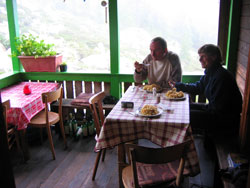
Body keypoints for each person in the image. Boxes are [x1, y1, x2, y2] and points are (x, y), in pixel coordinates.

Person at [169, 44, 242, 137]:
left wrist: (199, 111)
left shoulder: (222, 77)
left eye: (203, 57)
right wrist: (178, 85)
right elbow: (198, 87)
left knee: (185, 115)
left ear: (214, 57)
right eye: (200, 57)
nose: (200, 60)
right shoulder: (211, 72)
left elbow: (218, 110)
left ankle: (183, 144)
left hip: (224, 120)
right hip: (213, 111)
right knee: (185, 107)